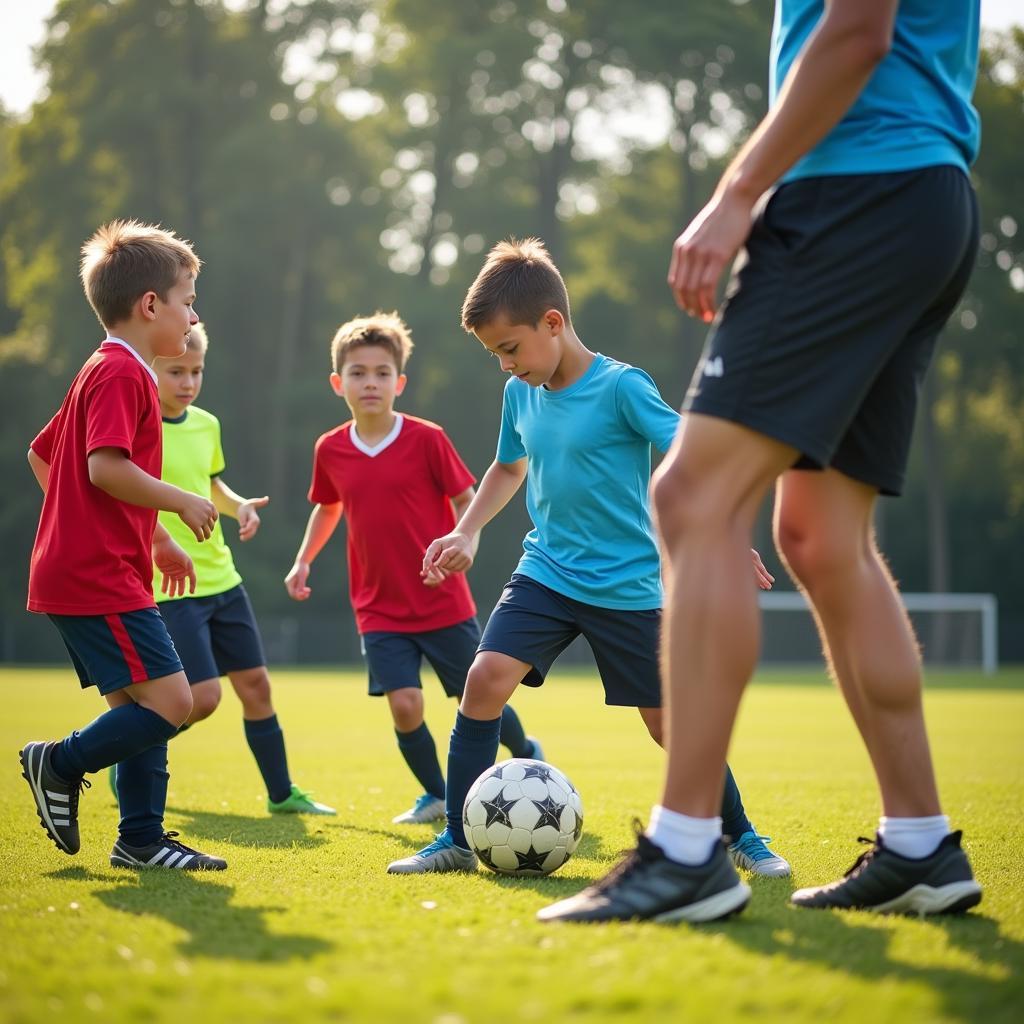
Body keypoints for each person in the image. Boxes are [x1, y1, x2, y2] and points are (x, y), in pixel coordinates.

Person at [539, 0, 984, 923]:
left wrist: (741, 190)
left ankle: (687, 850)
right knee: (822, 538)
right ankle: (921, 843)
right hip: (927, 198)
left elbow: (859, 29)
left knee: (692, 494)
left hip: (853, 191)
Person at [388, 238, 785, 879]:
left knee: (669, 725)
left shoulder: (623, 387)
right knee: (484, 680)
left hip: (628, 585)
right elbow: (508, 466)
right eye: (495, 355)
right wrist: (467, 531)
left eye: (510, 349)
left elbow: (690, 457)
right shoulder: (521, 393)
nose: (505, 366)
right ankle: (459, 840)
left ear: (553, 323)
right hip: (545, 570)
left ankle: (741, 835)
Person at [21, 219, 227, 871]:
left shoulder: (99, 368)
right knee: (176, 702)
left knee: (144, 708)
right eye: (187, 300)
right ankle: (57, 762)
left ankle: (140, 841)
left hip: (89, 570)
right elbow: (102, 468)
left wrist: (151, 537)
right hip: (97, 576)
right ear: (150, 306)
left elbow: (43, 455)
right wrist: (181, 500)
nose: (193, 313)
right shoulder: (125, 373)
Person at [285, 312, 541, 826]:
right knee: (405, 705)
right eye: (358, 373)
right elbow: (328, 506)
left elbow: (469, 496)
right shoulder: (330, 448)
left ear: (399, 382)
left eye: (382, 372)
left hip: (442, 603)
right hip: (377, 607)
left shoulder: (427, 438)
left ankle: (526, 747)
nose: (371, 382)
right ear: (339, 383)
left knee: (479, 696)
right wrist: (303, 560)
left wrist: (465, 542)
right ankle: (440, 794)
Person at [110, 323, 335, 816]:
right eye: (176, 372)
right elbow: (121, 492)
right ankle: (122, 751)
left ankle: (281, 795)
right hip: (171, 586)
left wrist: (240, 508)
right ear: (151, 367)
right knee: (201, 697)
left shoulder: (207, 424)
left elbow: (210, 483)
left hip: (224, 580)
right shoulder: (136, 426)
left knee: (256, 686)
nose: (188, 382)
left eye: (196, 371)